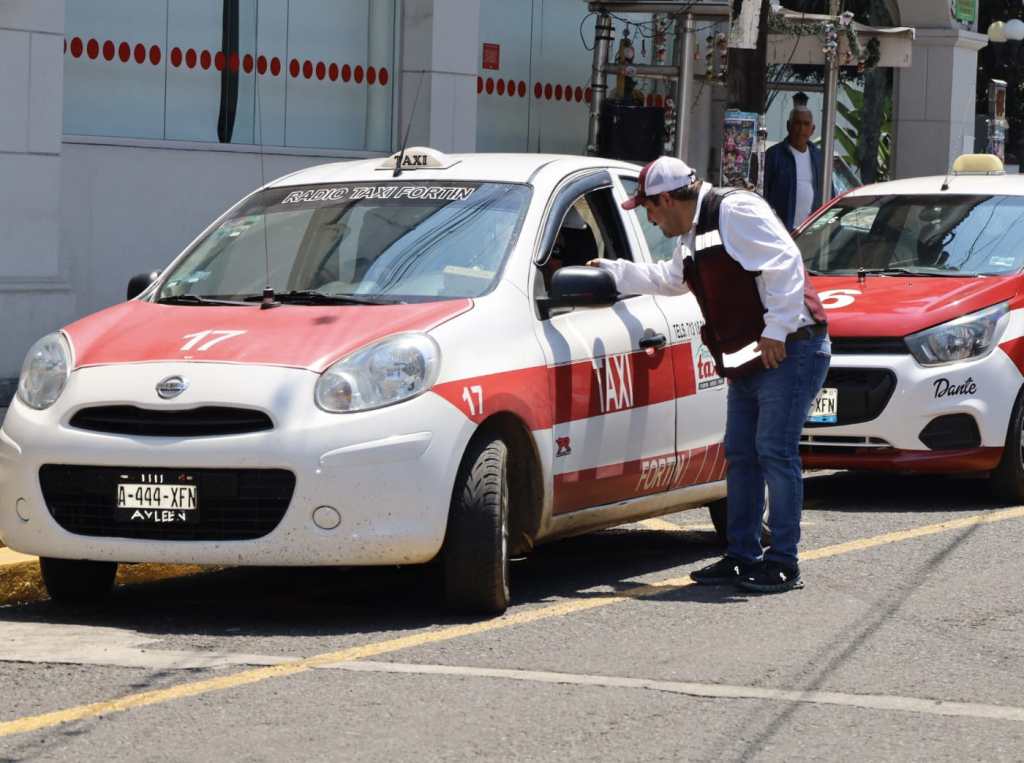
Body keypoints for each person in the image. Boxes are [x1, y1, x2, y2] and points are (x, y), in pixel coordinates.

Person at [590, 156, 830, 593]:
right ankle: (741, 556)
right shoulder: (692, 232)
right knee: (740, 455)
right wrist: (614, 271)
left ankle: (783, 562)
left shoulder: (735, 211)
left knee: (774, 453)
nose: (650, 217)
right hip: (751, 357)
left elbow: (785, 263)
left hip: (789, 349)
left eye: (650, 208)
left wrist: (777, 329)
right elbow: (672, 279)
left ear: (667, 198)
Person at [764, 92, 830, 231]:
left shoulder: (819, 158)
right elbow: (764, 194)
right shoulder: (774, 155)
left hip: (811, 233)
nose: (801, 129)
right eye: (797, 123)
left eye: (806, 124)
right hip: (780, 232)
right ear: (789, 126)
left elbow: (829, 195)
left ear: (812, 129)